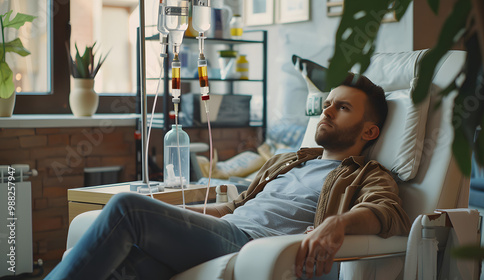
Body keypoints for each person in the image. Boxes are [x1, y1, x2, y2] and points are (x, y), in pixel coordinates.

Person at [45, 73, 411, 280]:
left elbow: (388, 212)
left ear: (369, 132)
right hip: (223, 233)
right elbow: (235, 205)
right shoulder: (287, 160)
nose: (326, 110)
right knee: (124, 268)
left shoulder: (367, 174)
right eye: (328, 102)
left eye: (342, 107)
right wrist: (179, 217)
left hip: (253, 245)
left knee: (127, 208)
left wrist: (338, 224)